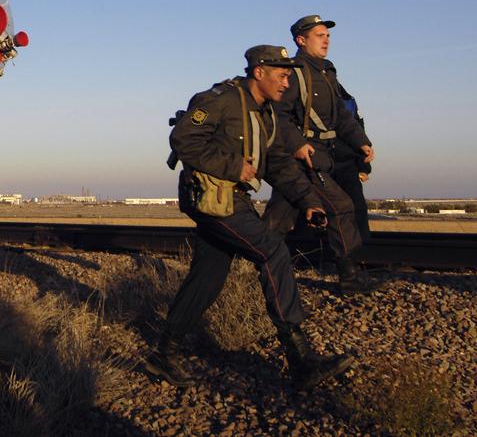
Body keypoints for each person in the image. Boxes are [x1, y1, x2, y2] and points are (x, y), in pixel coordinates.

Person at [145, 46, 353, 390]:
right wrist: (233, 167)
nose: (287, 82)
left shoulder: (265, 113)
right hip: (213, 198)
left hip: (230, 199)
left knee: (208, 276)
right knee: (273, 252)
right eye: (282, 75)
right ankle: (301, 359)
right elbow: (183, 138)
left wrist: (308, 201)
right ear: (259, 72)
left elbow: (279, 163)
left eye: (289, 76)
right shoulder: (223, 99)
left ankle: (164, 356)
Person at [264, 15, 380, 293]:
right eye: (319, 35)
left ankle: (251, 266)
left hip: (318, 156)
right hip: (301, 157)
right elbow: (278, 115)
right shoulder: (294, 73)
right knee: (340, 207)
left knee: (277, 220)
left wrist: (361, 141)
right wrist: (297, 145)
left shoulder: (326, 72)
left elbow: (340, 115)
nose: (326, 39)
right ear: (301, 41)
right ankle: (349, 277)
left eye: (327, 35)